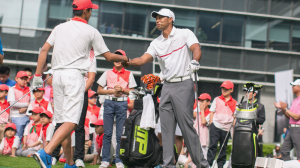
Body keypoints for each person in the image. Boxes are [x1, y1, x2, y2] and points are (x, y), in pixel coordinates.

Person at [31, 0, 129, 167]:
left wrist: (38, 77)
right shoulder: (91, 31)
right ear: (87, 12)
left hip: (57, 77)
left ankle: (69, 163)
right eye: (91, 10)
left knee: (63, 123)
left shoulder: (59, 27)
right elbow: (110, 57)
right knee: (72, 122)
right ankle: (46, 153)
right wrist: (128, 60)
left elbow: (44, 50)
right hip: (73, 77)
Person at [121, 8, 208, 167]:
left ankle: (203, 165)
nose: (157, 20)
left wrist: (195, 61)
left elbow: (196, 48)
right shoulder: (156, 43)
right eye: (156, 18)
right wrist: (129, 61)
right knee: (166, 131)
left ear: (171, 19)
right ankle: (168, 165)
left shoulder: (184, 33)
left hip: (184, 84)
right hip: (167, 87)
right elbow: (143, 59)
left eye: (161, 17)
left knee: (186, 128)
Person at [97, 49, 137, 168]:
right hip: (109, 102)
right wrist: (113, 91)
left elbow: (133, 91)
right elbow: (99, 90)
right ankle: (105, 160)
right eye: (116, 57)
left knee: (120, 134)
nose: (118, 60)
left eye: (120, 58)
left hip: (122, 104)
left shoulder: (129, 74)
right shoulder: (107, 73)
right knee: (108, 133)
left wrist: (123, 90)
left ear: (124, 59)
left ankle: (119, 160)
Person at [207, 81, 237, 168]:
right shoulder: (217, 99)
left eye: (226, 89)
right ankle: (208, 164)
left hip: (226, 128)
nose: (223, 90)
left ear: (231, 90)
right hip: (215, 125)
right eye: (222, 88)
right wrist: (211, 123)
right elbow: (212, 112)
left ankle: (220, 165)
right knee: (212, 145)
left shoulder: (235, 102)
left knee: (223, 148)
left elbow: (234, 117)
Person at [275, 79, 300, 161]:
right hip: (292, 129)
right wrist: (283, 109)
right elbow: (290, 116)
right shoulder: (295, 100)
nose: (292, 87)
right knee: (284, 151)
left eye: (294, 85)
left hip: (298, 129)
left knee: (299, 153)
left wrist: (285, 109)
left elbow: (297, 117)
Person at [242, 86, 265, 157]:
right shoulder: (242, 104)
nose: (246, 94)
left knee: (253, 152)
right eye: (246, 92)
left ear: (254, 94)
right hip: (242, 131)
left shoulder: (260, 106)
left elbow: (262, 120)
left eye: (248, 92)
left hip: (253, 133)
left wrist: (252, 117)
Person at [7, 71, 30, 140]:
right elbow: (12, 104)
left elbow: (32, 103)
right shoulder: (12, 89)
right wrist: (27, 105)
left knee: (27, 138)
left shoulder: (29, 89)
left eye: (25, 79)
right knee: (17, 137)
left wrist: (26, 108)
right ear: (16, 79)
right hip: (16, 117)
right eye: (21, 78)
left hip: (27, 116)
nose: (24, 80)